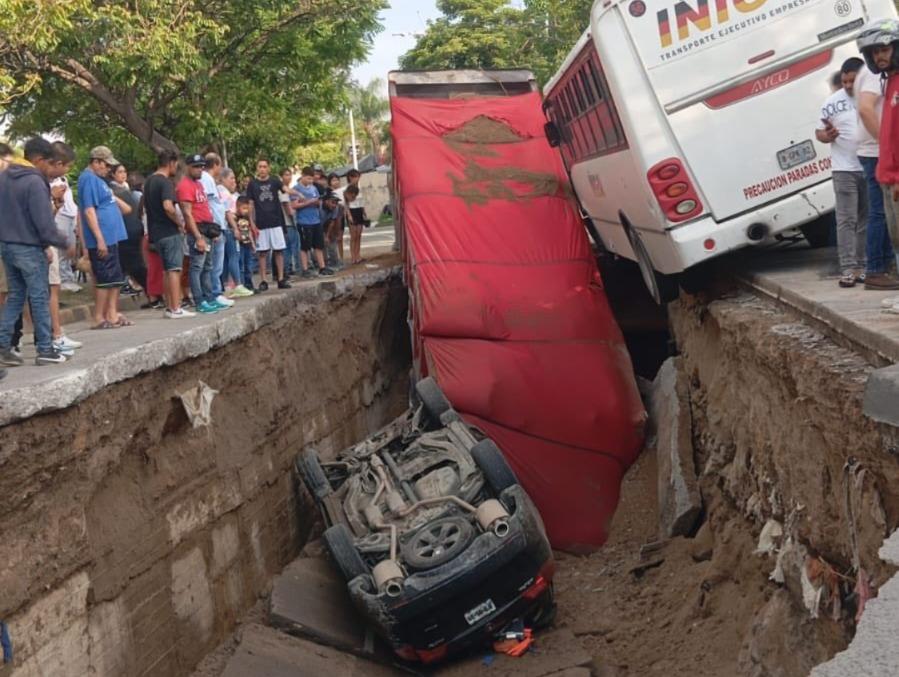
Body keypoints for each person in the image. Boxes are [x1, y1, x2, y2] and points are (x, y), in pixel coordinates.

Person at [0, 138, 72, 367]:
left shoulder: (5, 177)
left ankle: (3, 346)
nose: (50, 170)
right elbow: (43, 223)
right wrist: (62, 243)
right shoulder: (34, 181)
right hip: (28, 247)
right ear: (39, 159)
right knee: (39, 297)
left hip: (7, 245)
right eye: (49, 163)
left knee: (16, 297)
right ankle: (45, 349)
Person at [816, 58, 868, 288]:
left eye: (852, 80)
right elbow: (819, 133)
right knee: (846, 220)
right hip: (843, 169)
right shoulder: (831, 103)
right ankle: (847, 268)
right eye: (845, 81)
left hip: (868, 165)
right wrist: (827, 136)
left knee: (867, 220)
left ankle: (864, 266)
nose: (848, 85)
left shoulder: (871, 97)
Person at [859, 20, 899, 313]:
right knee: (896, 237)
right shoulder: (890, 82)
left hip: (896, 176)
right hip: (886, 173)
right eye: (874, 53)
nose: (878, 57)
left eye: (883, 50)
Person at [78, 146, 132, 329]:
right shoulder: (89, 180)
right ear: (96, 162)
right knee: (104, 279)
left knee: (115, 278)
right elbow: (89, 210)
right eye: (106, 165)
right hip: (102, 239)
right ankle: (99, 317)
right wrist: (99, 238)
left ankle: (112, 313)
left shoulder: (100, 181)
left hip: (112, 237)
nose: (108, 169)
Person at [144, 150, 194, 319]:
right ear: (171, 163)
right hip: (168, 231)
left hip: (155, 233)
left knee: (166, 270)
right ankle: (176, 307)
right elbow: (168, 206)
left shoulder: (149, 181)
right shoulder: (165, 183)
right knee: (174, 269)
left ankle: (168, 305)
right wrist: (179, 223)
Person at [177, 154, 227, 314]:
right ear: (188, 167)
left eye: (201, 166)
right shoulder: (185, 186)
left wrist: (213, 231)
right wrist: (198, 236)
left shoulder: (198, 184)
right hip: (197, 229)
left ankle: (209, 297)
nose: (200, 169)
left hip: (207, 228)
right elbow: (187, 214)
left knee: (207, 266)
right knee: (197, 266)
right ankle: (199, 300)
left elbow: (205, 208)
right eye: (196, 166)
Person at [246, 158, 290, 291]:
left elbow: (285, 189)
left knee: (279, 251)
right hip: (261, 223)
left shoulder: (275, 181)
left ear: (269, 168)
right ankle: (263, 280)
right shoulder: (252, 184)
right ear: (257, 168)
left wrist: (298, 193)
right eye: (260, 166)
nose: (262, 169)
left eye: (265, 166)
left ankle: (281, 278)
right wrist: (251, 222)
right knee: (262, 253)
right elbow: (251, 204)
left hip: (276, 221)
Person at [201, 153, 234, 309]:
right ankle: (215, 293)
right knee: (215, 264)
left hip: (218, 226)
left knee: (216, 263)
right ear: (215, 164)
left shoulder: (209, 180)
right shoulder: (206, 179)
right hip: (214, 227)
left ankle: (216, 292)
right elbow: (208, 204)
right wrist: (212, 228)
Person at [109, 164, 148, 297]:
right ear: (113, 174)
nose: (123, 174)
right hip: (124, 231)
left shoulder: (127, 190)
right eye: (119, 172)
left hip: (135, 229)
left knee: (135, 262)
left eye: (124, 171)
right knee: (132, 262)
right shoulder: (112, 190)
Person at [292, 166, 334, 277]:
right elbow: (294, 205)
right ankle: (305, 269)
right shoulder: (296, 189)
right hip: (303, 222)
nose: (310, 181)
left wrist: (316, 202)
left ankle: (322, 267)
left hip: (315, 220)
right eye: (308, 178)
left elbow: (318, 202)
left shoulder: (314, 188)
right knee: (305, 247)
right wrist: (308, 202)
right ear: (302, 176)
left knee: (318, 245)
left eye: (311, 179)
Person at [217, 168, 253, 298]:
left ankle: (227, 286)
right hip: (229, 228)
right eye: (231, 178)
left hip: (226, 228)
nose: (234, 181)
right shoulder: (224, 193)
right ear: (223, 179)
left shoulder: (221, 191)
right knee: (233, 256)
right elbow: (228, 213)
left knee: (226, 259)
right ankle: (237, 284)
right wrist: (235, 228)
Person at [50, 165, 81, 293]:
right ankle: (64, 279)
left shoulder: (63, 179)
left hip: (71, 212)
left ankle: (69, 277)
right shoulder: (49, 181)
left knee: (71, 249)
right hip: (60, 214)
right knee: (62, 249)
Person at [279, 168, 300, 277]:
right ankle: (288, 270)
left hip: (286, 223)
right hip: (287, 223)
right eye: (286, 175)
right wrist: (296, 208)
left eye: (290, 175)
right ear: (281, 176)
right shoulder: (283, 190)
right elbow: (288, 208)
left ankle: (286, 270)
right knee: (289, 248)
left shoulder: (288, 190)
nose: (289, 177)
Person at [234, 196, 257, 291]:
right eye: (244, 208)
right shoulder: (235, 218)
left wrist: (253, 243)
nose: (246, 211)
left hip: (247, 244)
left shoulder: (246, 218)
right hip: (240, 244)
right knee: (241, 265)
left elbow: (249, 232)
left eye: (247, 208)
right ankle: (242, 284)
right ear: (238, 207)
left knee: (249, 265)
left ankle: (249, 283)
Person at [344, 183, 368, 265]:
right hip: (352, 213)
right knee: (353, 236)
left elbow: (362, 204)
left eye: (355, 194)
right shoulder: (346, 194)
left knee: (359, 235)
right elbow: (346, 205)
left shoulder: (359, 194)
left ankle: (358, 256)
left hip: (359, 213)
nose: (353, 195)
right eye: (352, 193)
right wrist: (349, 215)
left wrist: (364, 213)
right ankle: (353, 257)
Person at [321, 191, 344, 271]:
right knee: (321, 244)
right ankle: (323, 264)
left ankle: (334, 262)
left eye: (336, 203)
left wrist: (328, 235)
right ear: (326, 201)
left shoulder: (336, 208)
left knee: (332, 240)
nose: (335, 205)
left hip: (327, 223)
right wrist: (324, 236)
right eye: (333, 202)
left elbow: (332, 222)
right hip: (317, 225)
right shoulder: (319, 207)